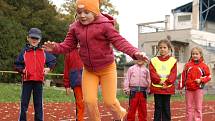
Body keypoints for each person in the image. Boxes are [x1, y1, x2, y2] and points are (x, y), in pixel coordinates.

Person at [42, 0, 148, 120]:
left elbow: (119, 41)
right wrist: (55, 47)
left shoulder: (105, 25)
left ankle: (120, 114)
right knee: (89, 101)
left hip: (107, 68)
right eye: (79, 12)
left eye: (86, 12)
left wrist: (134, 52)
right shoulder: (75, 27)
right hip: (89, 70)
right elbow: (67, 45)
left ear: (95, 11)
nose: (82, 15)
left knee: (109, 101)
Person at [14, 28, 56, 121]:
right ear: (28, 38)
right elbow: (17, 64)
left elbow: (53, 60)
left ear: (40, 40)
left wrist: (48, 68)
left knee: (38, 104)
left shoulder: (43, 52)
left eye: (36, 38)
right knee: (24, 104)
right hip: (27, 81)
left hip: (39, 82)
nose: (34, 40)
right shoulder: (24, 52)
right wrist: (22, 70)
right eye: (32, 37)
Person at [178, 47, 211, 121]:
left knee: (198, 108)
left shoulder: (204, 66)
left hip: (198, 89)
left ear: (200, 55)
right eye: (193, 54)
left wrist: (201, 80)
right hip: (188, 90)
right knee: (189, 108)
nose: (195, 55)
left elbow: (209, 76)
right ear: (191, 55)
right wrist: (181, 87)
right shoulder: (187, 65)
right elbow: (183, 76)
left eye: (196, 54)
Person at [149, 39, 177, 121]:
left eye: (164, 47)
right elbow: (152, 72)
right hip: (157, 88)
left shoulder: (173, 61)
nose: (162, 49)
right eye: (160, 47)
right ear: (158, 49)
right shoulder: (153, 60)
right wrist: (159, 81)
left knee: (166, 108)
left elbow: (173, 74)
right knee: (158, 108)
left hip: (167, 88)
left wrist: (167, 83)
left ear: (168, 49)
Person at [63, 47, 84, 121]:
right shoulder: (69, 53)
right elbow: (66, 69)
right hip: (76, 82)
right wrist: (67, 85)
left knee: (91, 103)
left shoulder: (89, 50)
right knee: (80, 103)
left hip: (88, 82)